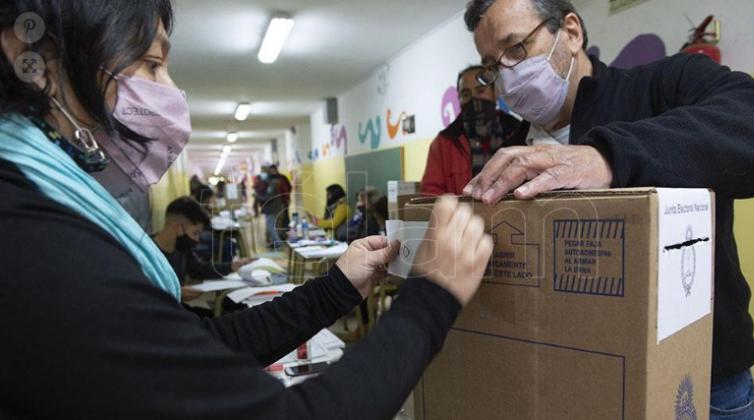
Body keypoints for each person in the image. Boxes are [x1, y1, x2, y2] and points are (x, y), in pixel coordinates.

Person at [0, 2, 495, 418]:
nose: (170, 91)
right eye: (151, 64)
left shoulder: (53, 215)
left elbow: (208, 342)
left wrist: (338, 286)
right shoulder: (34, 246)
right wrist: (432, 297)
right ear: (33, 60)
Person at [461, 0, 754, 418]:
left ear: (570, 31)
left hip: (706, 384)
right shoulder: (508, 147)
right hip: (575, 380)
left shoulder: (662, 86)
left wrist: (607, 157)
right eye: (493, 65)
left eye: (516, 48)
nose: (507, 76)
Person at [421, 64, 520, 195]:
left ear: (495, 93)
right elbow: (431, 193)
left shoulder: (519, 132)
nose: (474, 99)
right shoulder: (443, 143)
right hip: (462, 214)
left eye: (480, 90)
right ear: (459, 100)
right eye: (466, 94)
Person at [151, 196, 254, 301]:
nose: (197, 240)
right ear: (178, 228)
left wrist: (232, 266)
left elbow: (199, 269)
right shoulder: (146, 255)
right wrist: (176, 293)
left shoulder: (181, 249)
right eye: (195, 233)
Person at [256, 165, 290, 249]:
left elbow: (283, 192)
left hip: (275, 206)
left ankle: (277, 242)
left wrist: (258, 197)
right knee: (272, 225)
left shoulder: (276, 181)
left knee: (272, 225)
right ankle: (274, 241)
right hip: (274, 206)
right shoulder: (268, 181)